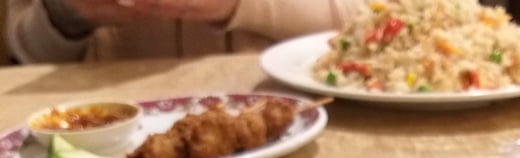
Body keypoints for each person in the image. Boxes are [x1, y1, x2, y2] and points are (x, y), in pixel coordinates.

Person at [6, 0, 366, 63]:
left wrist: (241, 5)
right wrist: (67, 14)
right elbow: (26, 53)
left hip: (293, 127)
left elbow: (380, 16)